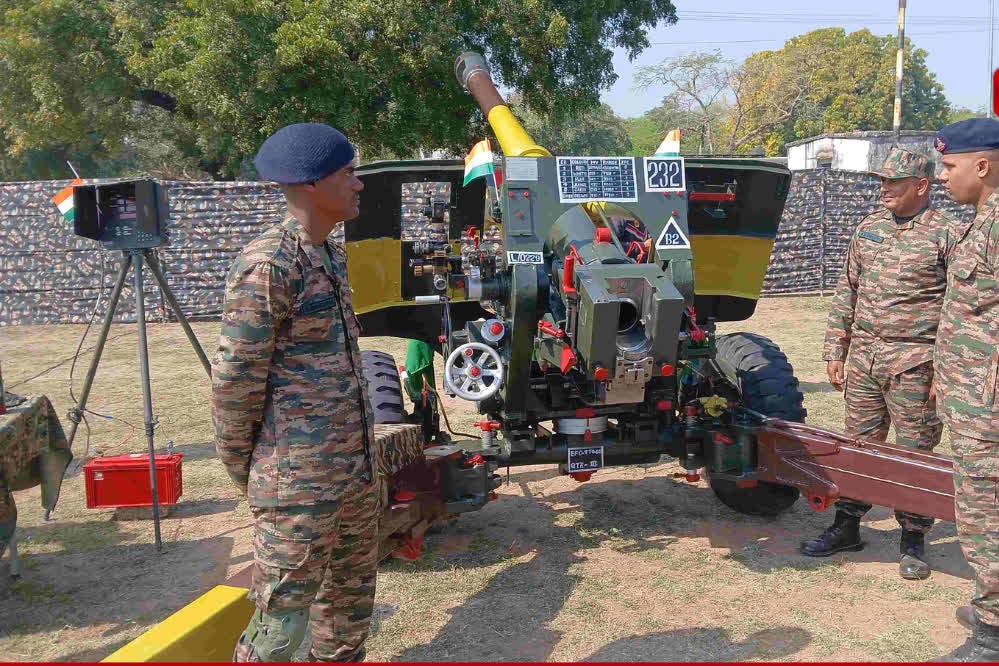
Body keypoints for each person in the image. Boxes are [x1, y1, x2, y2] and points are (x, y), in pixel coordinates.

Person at [210, 122, 378, 662]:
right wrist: (251, 470)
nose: (358, 184)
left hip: (352, 476)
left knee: (347, 616)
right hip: (298, 486)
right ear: (310, 183)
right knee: (279, 625)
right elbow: (236, 382)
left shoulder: (329, 254)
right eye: (348, 173)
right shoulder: (269, 264)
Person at [802, 148, 965, 582]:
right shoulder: (868, 228)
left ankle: (913, 538)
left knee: (914, 452)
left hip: (916, 363)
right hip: (865, 360)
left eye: (894, 181)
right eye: (883, 180)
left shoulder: (948, 234)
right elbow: (847, 291)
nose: (884, 188)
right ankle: (847, 526)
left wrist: (944, 370)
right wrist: (835, 350)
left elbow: (959, 308)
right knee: (858, 446)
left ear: (921, 185)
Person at [933, 117, 999, 661]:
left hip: (989, 409)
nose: (942, 176)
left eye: (948, 165)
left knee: (986, 519)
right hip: (973, 402)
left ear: (982, 166)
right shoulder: (982, 221)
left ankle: (992, 634)